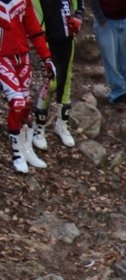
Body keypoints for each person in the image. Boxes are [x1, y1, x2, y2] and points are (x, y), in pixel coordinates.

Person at [0, 0, 56, 173]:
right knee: (17, 104)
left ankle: (26, 149)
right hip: (2, 58)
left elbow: (34, 29)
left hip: (22, 56)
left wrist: (46, 57)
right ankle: (17, 154)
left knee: (26, 103)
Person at [31, 0, 85, 149]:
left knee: (65, 81)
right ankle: (38, 126)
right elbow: (34, 17)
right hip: (48, 41)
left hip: (68, 39)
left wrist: (79, 16)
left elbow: (79, 4)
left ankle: (62, 125)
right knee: (51, 83)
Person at [91, 0, 126, 106]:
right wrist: (101, 20)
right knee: (110, 60)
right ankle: (118, 94)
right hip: (106, 20)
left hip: (125, 21)